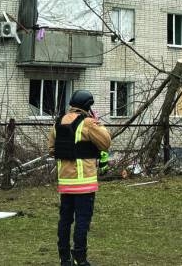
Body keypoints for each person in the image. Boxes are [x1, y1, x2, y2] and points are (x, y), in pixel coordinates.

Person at [48, 90, 111, 266]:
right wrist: (98, 123)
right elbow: (106, 142)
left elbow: (52, 149)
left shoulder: (58, 123)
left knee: (65, 219)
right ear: (87, 106)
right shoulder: (89, 123)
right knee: (82, 220)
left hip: (65, 183)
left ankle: (64, 258)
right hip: (84, 183)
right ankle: (80, 258)